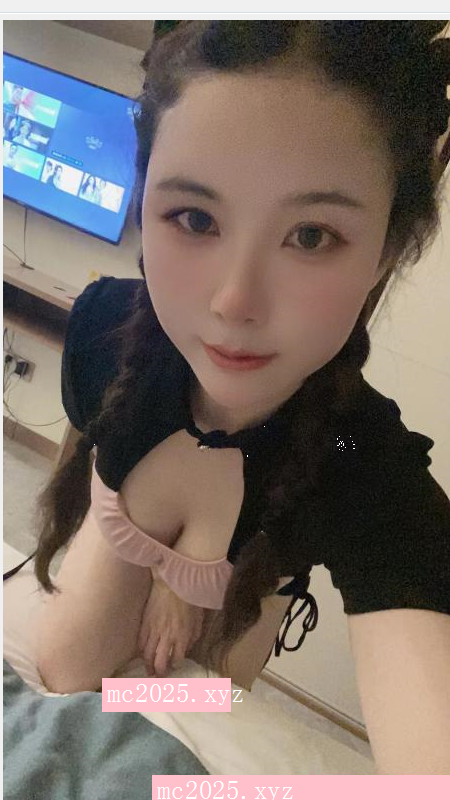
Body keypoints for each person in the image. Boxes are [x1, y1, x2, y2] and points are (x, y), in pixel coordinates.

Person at [21, 22, 450, 773]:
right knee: (63, 674)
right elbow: (64, 667)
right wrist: (163, 556)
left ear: (388, 248)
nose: (234, 302)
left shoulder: (367, 468)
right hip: (130, 532)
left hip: (250, 591)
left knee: (186, 713)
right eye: (195, 218)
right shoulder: (104, 332)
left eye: (311, 236)